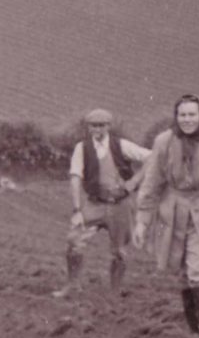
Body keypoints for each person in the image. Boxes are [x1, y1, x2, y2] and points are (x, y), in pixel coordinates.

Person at [133, 94, 199, 338]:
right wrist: (142, 221)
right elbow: (152, 183)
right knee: (184, 274)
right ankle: (196, 334)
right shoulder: (164, 142)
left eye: (192, 114)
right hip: (172, 214)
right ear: (176, 116)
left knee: (197, 272)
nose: (187, 119)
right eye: (182, 115)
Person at [52, 108, 151, 298]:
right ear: (88, 127)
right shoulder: (82, 148)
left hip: (120, 205)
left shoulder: (121, 145)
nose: (98, 129)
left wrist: (134, 182)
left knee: (120, 251)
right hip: (94, 204)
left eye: (102, 125)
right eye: (94, 125)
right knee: (74, 241)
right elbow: (75, 177)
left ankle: (115, 292)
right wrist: (76, 209)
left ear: (108, 126)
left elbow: (153, 157)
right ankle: (72, 286)